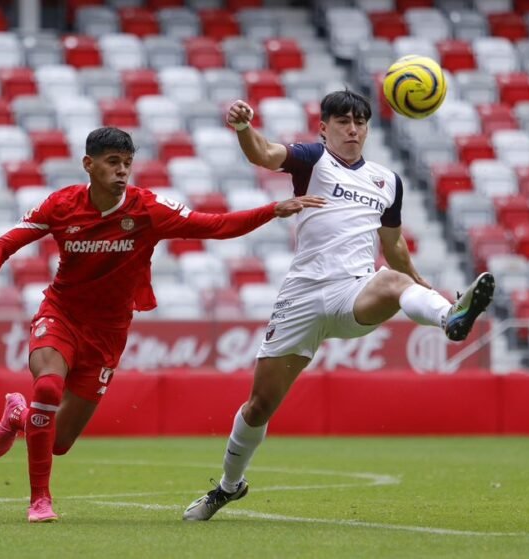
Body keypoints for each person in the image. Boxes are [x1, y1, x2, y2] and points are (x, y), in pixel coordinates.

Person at [0, 127, 327, 523]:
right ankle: (40, 500)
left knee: (58, 442)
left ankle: (18, 414)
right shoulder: (61, 206)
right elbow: (0, 245)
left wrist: (272, 209)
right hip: (60, 313)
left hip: (108, 333)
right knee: (47, 384)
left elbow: (214, 226)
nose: (121, 171)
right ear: (89, 164)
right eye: (113, 162)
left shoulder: (147, 210)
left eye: (127, 164)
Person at [182, 91, 495, 521]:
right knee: (259, 407)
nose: (353, 129)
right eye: (343, 121)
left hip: (354, 291)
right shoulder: (312, 160)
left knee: (392, 280)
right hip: (302, 297)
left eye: (360, 122)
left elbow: (395, 246)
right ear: (324, 127)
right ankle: (228, 487)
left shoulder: (388, 181)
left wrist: (424, 284)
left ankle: (449, 318)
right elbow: (264, 153)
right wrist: (242, 128)